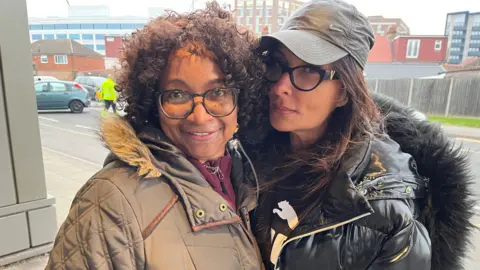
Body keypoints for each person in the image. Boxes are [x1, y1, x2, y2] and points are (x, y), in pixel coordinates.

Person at [247, 0, 475, 269]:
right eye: (278, 65)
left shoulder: (382, 211)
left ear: (344, 91)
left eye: (309, 70)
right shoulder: (247, 158)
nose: (281, 86)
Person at [46, 3, 265, 269]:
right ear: (152, 104)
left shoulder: (250, 177)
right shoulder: (110, 201)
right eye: (177, 94)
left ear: (241, 99)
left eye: (218, 92)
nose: (199, 116)